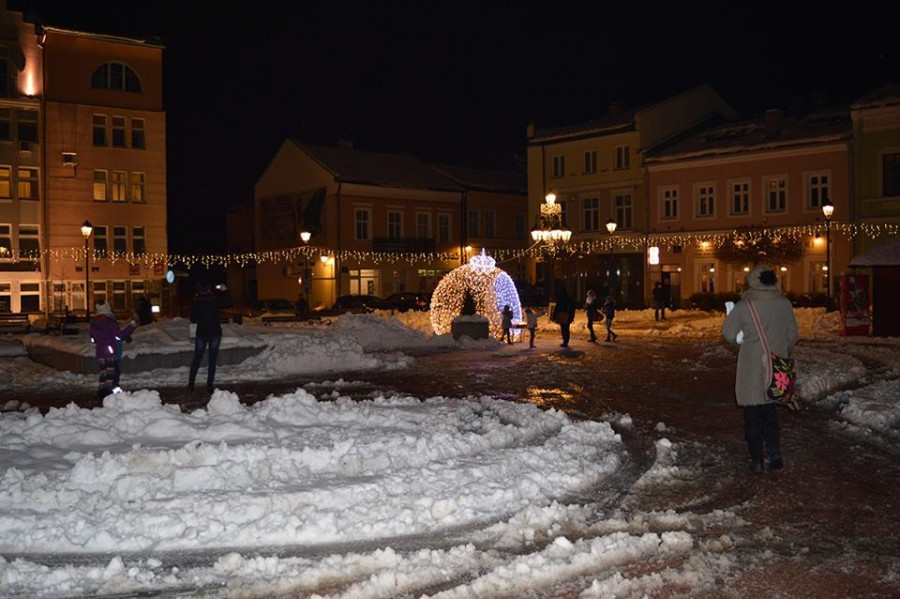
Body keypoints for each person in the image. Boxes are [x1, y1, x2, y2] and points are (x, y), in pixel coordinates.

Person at [722, 264, 798, 474]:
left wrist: (744, 344)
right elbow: (793, 335)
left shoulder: (744, 306)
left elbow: (728, 333)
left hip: (751, 366)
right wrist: (781, 351)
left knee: (752, 412)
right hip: (776, 365)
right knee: (770, 411)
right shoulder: (784, 304)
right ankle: (774, 452)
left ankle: (757, 460)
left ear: (752, 281)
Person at [89, 300, 136, 403]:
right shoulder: (110, 323)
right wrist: (131, 327)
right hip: (110, 352)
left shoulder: (94, 325)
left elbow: (93, 339)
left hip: (100, 353)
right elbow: (119, 336)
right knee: (112, 374)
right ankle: (110, 394)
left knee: (104, 374)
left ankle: (102, 392)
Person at [188, 282, 231, 394]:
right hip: (215, 333)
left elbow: (193, 319)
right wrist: (225, 291)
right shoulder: (214, 300)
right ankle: (209, 386)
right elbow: (228, 303)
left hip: (202, 333)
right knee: (212, 360)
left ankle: (191, 385)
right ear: (209, 290)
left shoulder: (196, 302)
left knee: (197, 358)